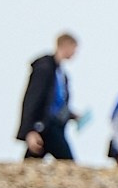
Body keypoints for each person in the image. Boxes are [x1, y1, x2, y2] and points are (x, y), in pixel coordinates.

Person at [16, 33, 78, 161]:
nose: (75, 52)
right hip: (45, 126)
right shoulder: (45, 68)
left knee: (31, 163)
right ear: (65, 46)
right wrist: (30, 131)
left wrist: (71, 115)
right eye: (74, 47)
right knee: (69, 164)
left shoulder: (61, 74)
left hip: (53, 126)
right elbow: (32, 99)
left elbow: (56, 103)